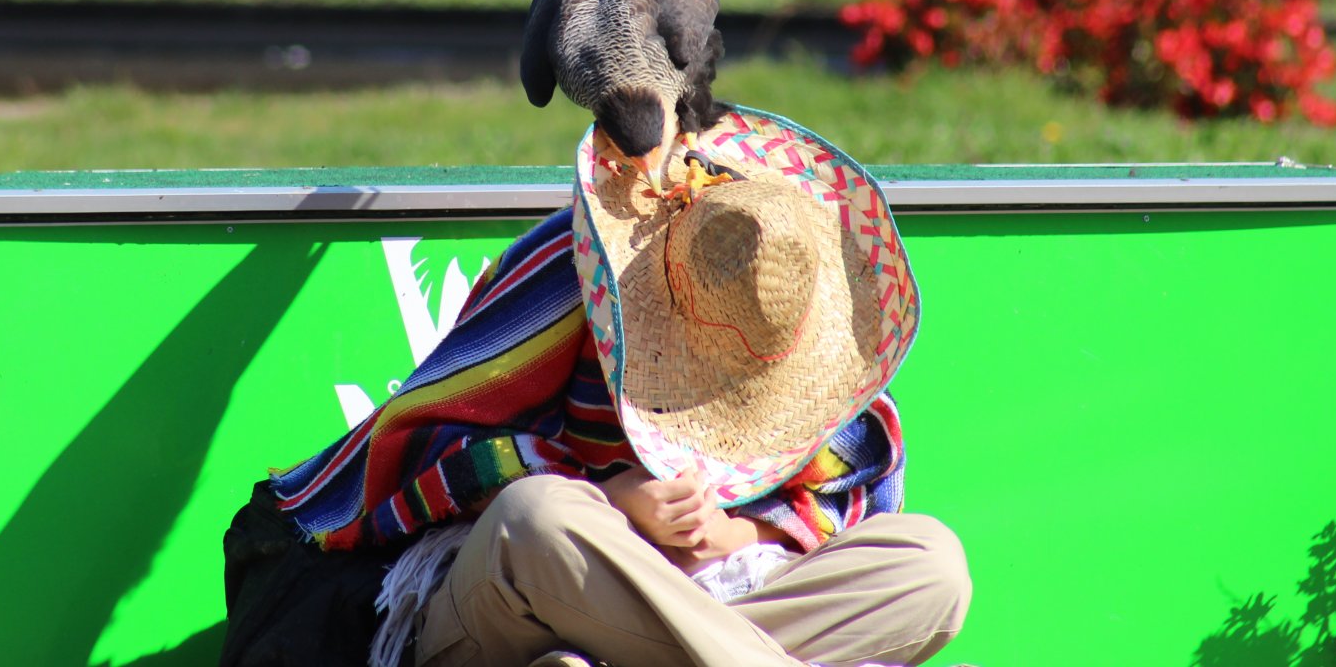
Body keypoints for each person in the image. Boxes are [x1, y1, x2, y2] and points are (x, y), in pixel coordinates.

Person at [221, 107, 971, 667]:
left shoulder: (798, 316)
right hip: (517, 596)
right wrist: (617, 503)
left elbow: (848, 490)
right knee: (537, 516)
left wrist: (738, 532)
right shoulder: (564, 277)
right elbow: (427, 447)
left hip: (717, 592)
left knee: (930, 564)